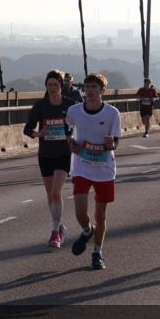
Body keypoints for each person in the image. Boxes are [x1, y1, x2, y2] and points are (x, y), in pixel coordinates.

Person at [66, 74, 122, 270]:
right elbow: (68, 128)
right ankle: (87, 230)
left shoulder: (112, 113)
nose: (89, 90)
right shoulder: (74, 111)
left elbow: (116, 141)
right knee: (80, 212)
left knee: (101, 215)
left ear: (102, 91)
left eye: (94, 87)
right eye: (87, 87)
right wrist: (71, 142)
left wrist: (111, 144)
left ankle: (97, 252)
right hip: (81, 165)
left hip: (104, 169)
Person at [24, 70, 78, 248]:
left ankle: (55, 232)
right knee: (50, 194)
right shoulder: (41, 105)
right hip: (46, 154)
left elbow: (82, 122)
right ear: (46, 86)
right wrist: (39, 133)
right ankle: (60, 227)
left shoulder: (71, 105)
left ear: (61, 85)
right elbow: (27, 129)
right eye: (49, 85)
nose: (53, 88)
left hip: (63, 153)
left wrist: (72, 136)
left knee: (56, 192)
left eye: (56, 84)